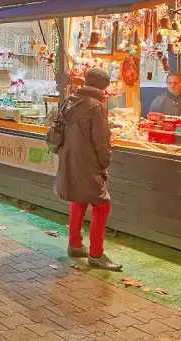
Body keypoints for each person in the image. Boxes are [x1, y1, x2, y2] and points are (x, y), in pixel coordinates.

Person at [55, 69, 121, 272]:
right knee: (102, 205)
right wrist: (104, 164)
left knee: (79, 200)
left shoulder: (69, 100)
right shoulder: (96, 106)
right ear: (104, 87)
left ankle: (75, 244)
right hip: (88, 161)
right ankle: (96, 254)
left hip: (69, 157)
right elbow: (101, 142)